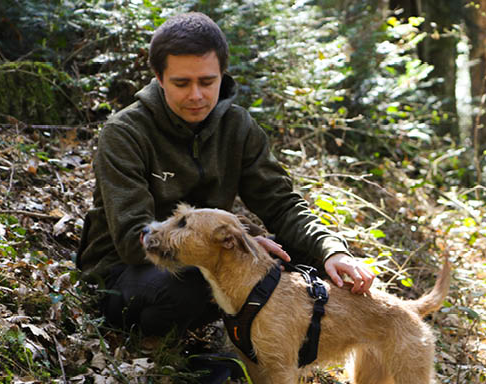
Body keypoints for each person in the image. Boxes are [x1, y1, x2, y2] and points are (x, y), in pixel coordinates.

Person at [76, 12, 375, 346]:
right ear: (159, 78)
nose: (197, 96)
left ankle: (266, 349)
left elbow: (282, 203)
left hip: (204, 257)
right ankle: (167, 354)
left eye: (207, 82)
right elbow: (135, 240)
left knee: (307, 259)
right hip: (124, 273)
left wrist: (333, 251)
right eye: (181, 83)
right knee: (185, 287)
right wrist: (231, 252)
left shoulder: (238, 127)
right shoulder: (124, 133)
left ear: (222, 75)